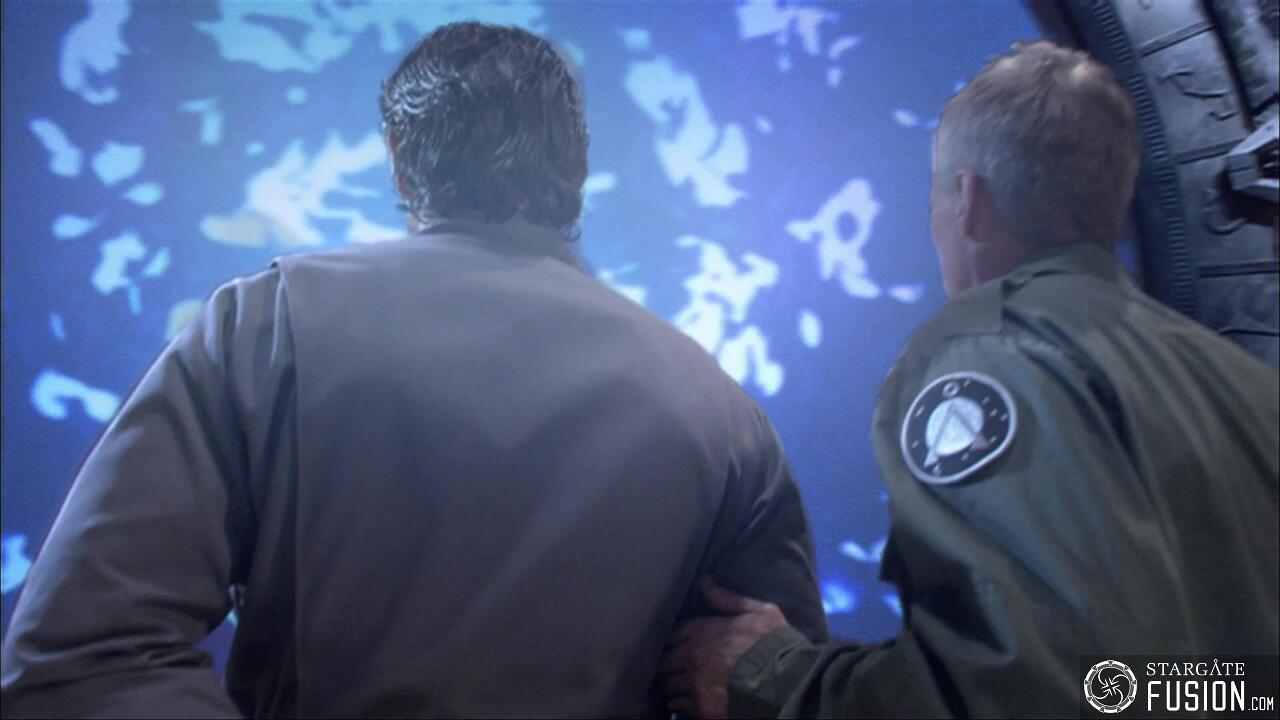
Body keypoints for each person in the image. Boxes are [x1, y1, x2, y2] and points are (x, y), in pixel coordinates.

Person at [0, 23, 829, 718]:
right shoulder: (720, 409)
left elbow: (84, 657)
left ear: (399, 161)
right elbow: (788, 690)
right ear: (576, 171)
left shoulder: (266, 327)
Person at [659, 40, 1279, 719]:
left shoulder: (987, 348)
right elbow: (1193, 686)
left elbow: (1023, 690)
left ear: (968, 199)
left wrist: (775, 680)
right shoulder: (1246, 385)